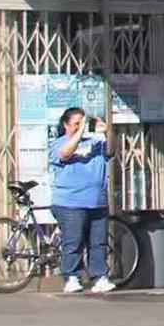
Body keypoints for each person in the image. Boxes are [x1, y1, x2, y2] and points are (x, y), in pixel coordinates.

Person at [49, 107, 117, 294]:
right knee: (73, 240)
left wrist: (107, 131)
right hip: (70, 202)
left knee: (98, 242)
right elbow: (65, 154)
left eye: (83, 123)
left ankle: (99, 276)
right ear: (66, 125)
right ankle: (71, 276)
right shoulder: (59, 143)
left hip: (97, 200)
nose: (81, 127)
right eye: (76, 123)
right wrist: (79, 133)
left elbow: (111, 151)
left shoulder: (97, 142)